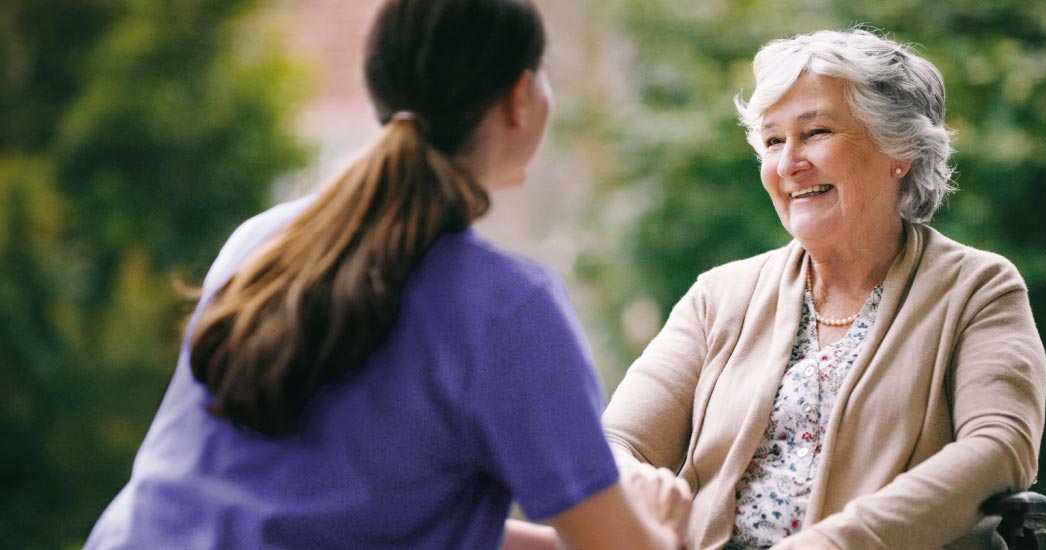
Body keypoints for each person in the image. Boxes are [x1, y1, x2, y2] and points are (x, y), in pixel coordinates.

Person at [84, 0, 690, 548]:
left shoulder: (264, 241)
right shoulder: (507, 308)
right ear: (520, 99)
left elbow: (354, 513)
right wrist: (663, 531)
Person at [602, 28, 1046, 550]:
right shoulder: (719, 296)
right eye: (772, 141)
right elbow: (617, 441)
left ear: (897, 148)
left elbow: (999, 449)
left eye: (815, 133)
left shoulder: (978, 289)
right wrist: (637, 485)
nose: (788, 163)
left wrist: (838, 544)